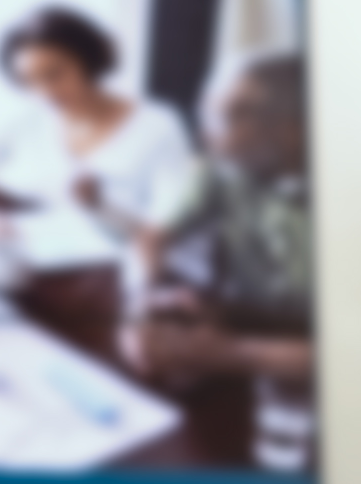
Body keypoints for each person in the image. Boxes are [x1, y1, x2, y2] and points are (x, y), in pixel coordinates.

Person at [134, 50, 316, 459]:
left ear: (297, 127)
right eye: (209, 113)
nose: (206, 132)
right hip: (247, 327)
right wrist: (150, 296)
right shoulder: (221, 167)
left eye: (231, 116)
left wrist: (231, 354)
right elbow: (156, 235)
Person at [0, 2, 207, 251]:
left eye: (54, 74)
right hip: (43, 255)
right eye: (29, 81)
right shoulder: (30, 119)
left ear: (88, 60)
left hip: (118, 263)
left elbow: (163, 232)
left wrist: (99, 206)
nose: (44, 92)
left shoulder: (157, 126)